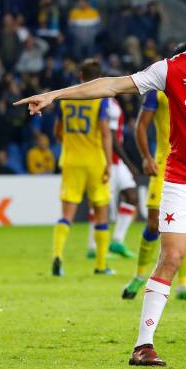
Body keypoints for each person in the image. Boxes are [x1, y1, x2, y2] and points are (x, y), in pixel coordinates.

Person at [14, 0, 186, 366]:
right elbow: (111, 85)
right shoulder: (170, 70)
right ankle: (143, 346)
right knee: (171, 257)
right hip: (183, 182)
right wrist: (55, 94)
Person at [121, 43, 186, 301]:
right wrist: (147, 157)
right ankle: (138, 276)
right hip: (164, 166)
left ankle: (185, 285)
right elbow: (140, 127)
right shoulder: (158, 91)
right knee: (153, 223)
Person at [49, 59, 114, 277]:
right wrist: (109, 163)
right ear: (98, 79)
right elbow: (105, 132)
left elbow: (57, 132)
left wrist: (69, 140)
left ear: (80, 76)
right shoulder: (100, 100)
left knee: (67, 214)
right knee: (101, 213)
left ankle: (57, 255)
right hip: (95, 161)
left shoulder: (66, 99)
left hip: (71, 160)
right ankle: (101, 265)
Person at [86, 96, 138, 260]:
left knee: (132, 196)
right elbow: (112, 137)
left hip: (117, 163)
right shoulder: (109, 104)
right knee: (101, 204)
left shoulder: (113, 103)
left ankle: (117, 240)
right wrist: (129, 162)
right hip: (107, 160)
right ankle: (93, 247)